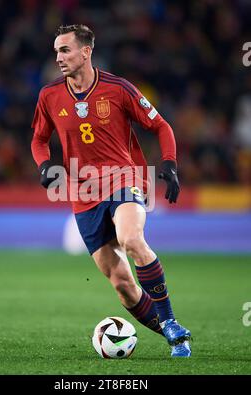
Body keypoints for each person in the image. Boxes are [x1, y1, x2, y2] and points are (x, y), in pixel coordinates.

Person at [31, 24, 191, 357]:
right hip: (82, 195)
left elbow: (160, 125)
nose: (58, 57)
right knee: (122, 286)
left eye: (65, 50)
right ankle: (172, 333)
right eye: (56, 51)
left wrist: (170, 164)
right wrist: (44, 164)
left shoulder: (119, 89)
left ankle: (172, 322)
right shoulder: (49, 95)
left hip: (123, 180)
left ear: (85, 51)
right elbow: (39, 139)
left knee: (132, 239)